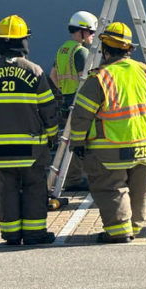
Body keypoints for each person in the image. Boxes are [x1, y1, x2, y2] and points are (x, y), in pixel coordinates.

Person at [70, 22, 146, 243]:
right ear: (129, 49)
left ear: (105, 49)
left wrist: (78, 142)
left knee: (111, 187)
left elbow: (82, 115)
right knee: (140, 189)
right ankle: (134, 227)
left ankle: (120, 231)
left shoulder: (100, 78)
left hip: (110, 149)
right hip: (145, 145)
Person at [0, 15, 58, 246]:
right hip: (31, 147)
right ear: (24, 42)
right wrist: (52, 135)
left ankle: (10, 234)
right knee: (33, 187)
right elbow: (48, 109)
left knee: (6, 188)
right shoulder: (34, 71)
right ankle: (34, 234)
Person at [48, 11, 97, 192]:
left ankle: (70, 176)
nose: (93, 36)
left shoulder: (63, 49)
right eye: (91, 32)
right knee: (80, 140)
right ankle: (74, 178)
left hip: (67, 100)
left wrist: (64, 90)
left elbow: (53, 75)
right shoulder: (81, 52)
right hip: (80, 102)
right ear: (82, 32)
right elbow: (86, 80)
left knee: (69, 140)